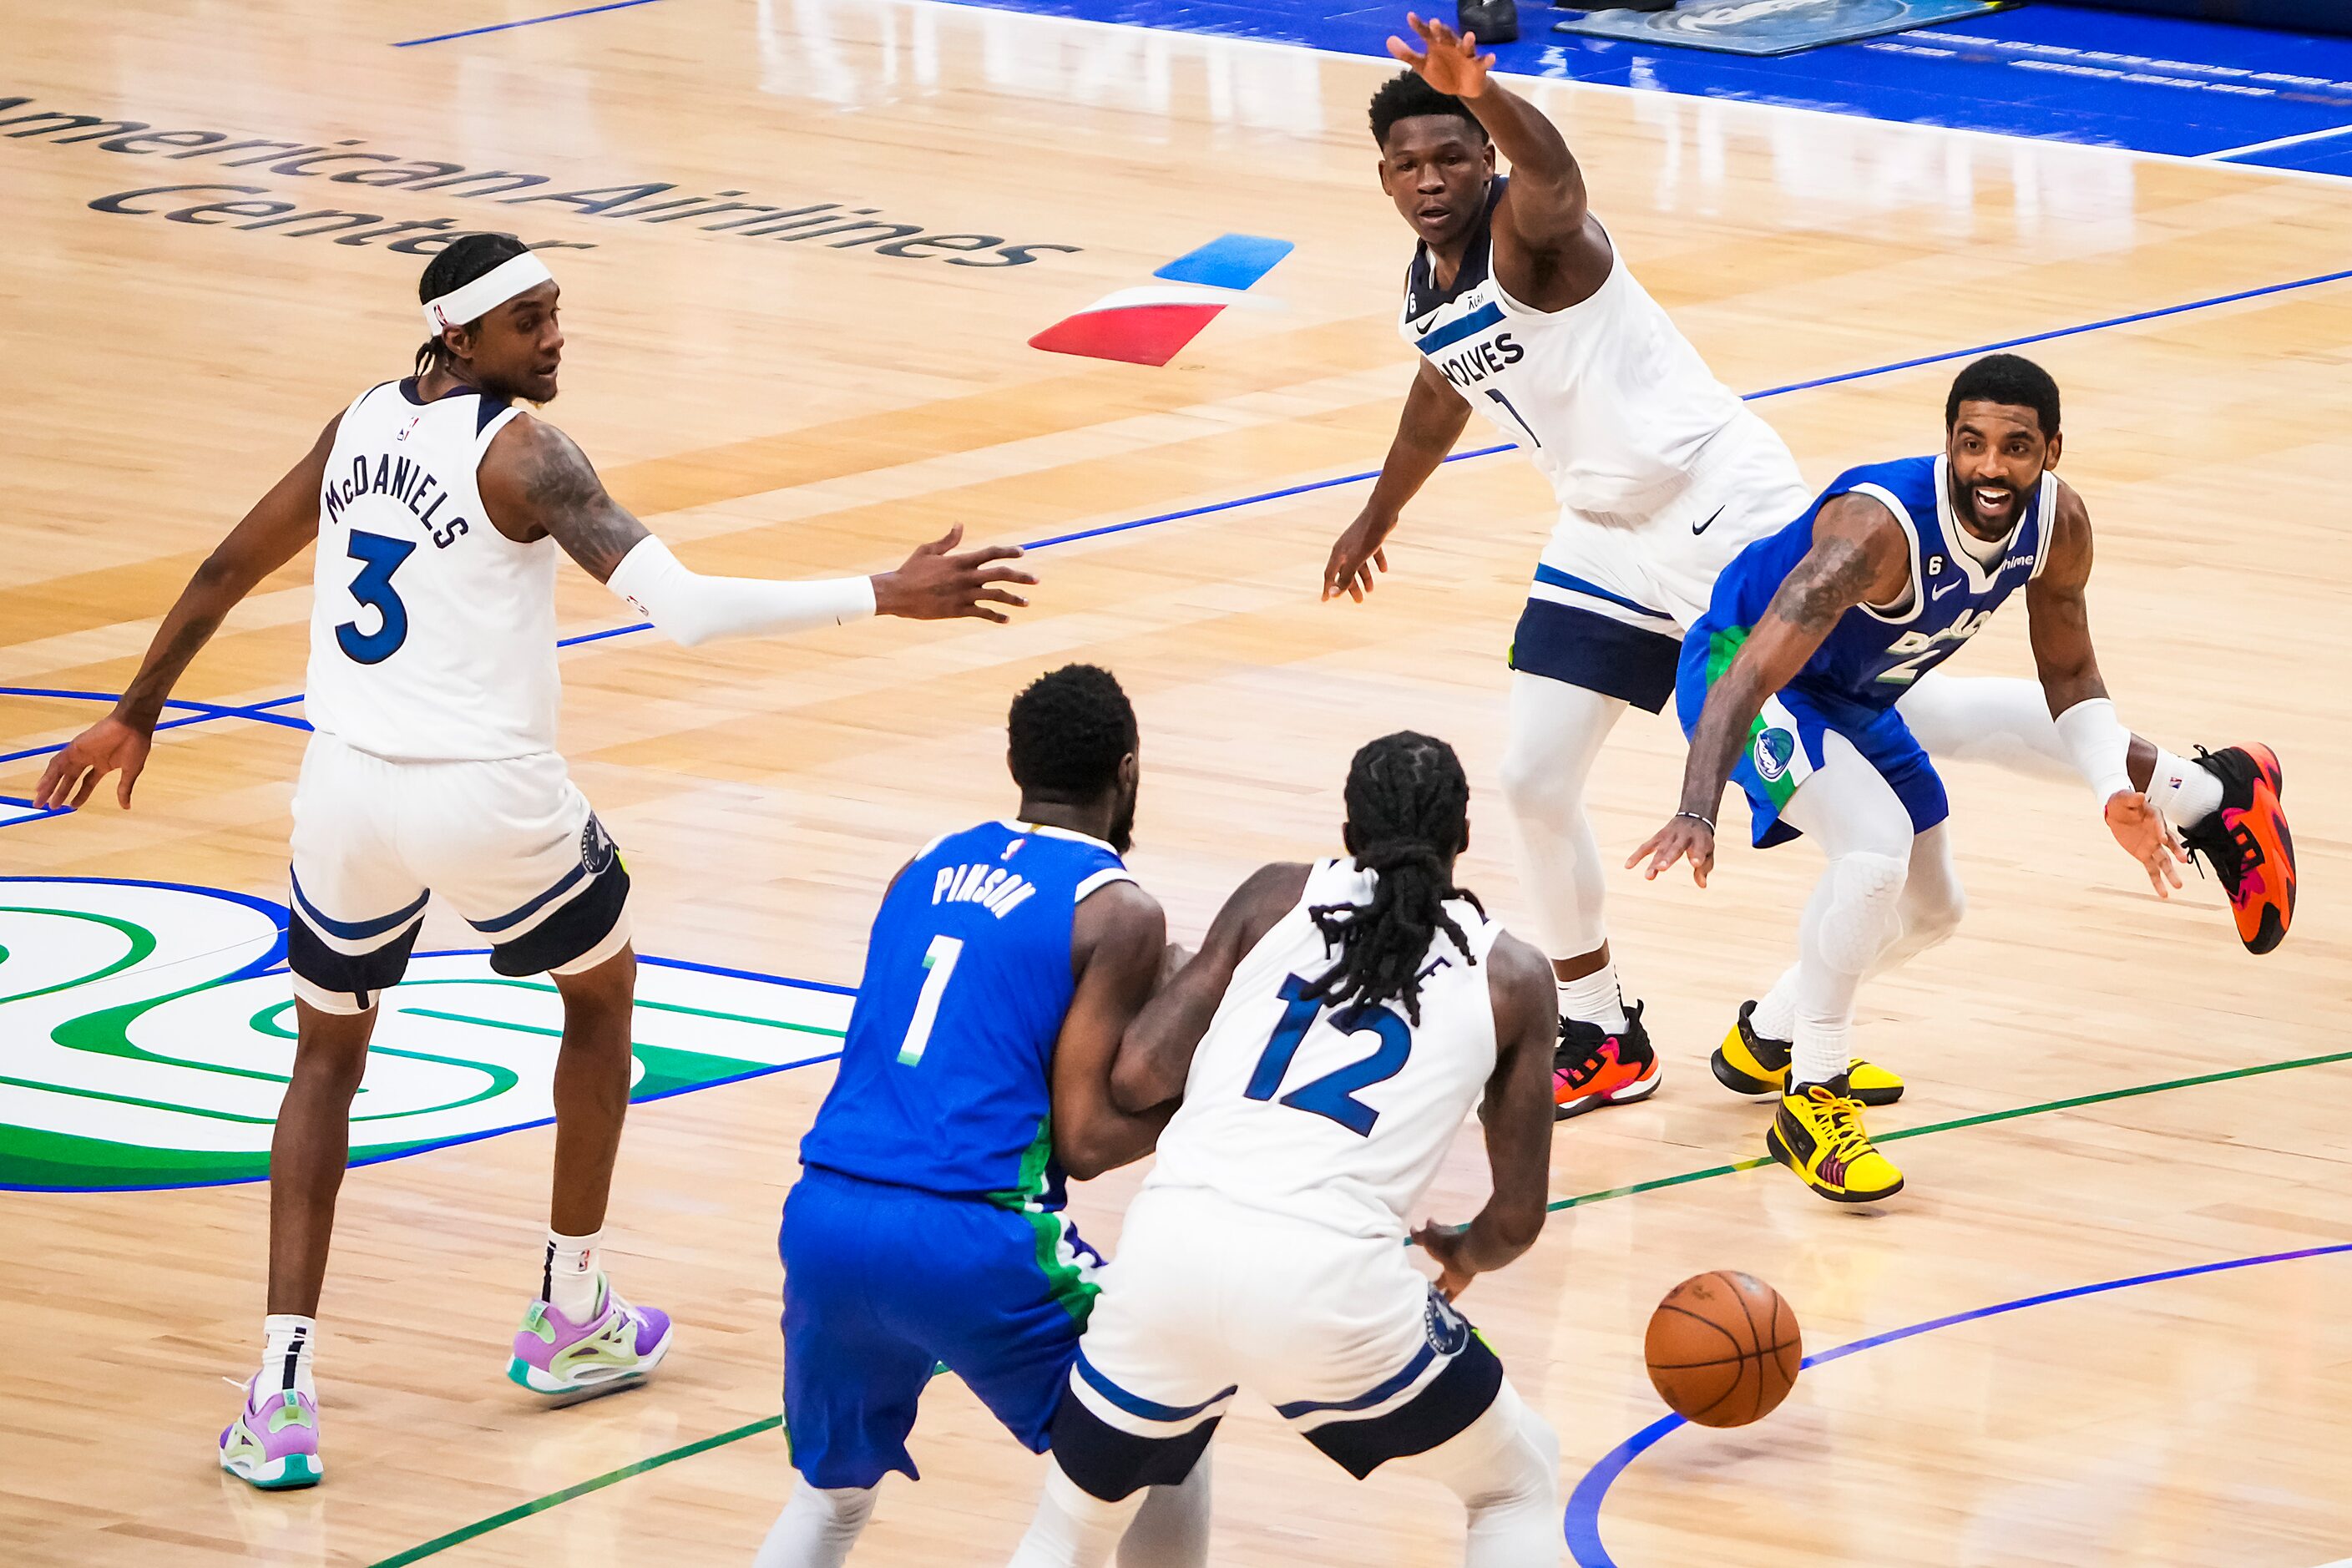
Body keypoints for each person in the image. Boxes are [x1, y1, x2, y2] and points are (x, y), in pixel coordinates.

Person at [30, 233, 1036, 1490]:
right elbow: (686, 609)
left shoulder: (359, 423)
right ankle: (568, 1310)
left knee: (325, 1060)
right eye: (530, 321)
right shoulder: (527, 451)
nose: (556, 338)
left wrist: (136, 706)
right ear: (460, 334)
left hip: (340, 786)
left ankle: (279, 1390)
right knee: (602, 997)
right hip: (482, 790)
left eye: (558, 313)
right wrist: (883, 592)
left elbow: (229, 568)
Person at [1323, 18, 2284, 1120]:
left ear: (1483, 158)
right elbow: (1447, 382)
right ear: (1385, 178)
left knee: (1889, 711)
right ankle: (1597, 1026)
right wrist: (1378, 510)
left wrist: (1483, 95)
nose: (1433, 176)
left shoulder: (1534, 238)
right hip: (1599, 530)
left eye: (1453, 152)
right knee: (1532, 778)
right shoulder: (1425, 280)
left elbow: (1558, 176)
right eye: (1410, 161)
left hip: (1714, 500)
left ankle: (2205, 790)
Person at [1631, 355, 2294, 1203]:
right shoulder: (1872, 536)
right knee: (1874, 851)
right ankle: (1814, 1096)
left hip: (1849, 690)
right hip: (1742, 671)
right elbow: (1748, 677)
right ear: (1947, 443)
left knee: (1933, 907)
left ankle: (1771, 1035)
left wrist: (2108, 794)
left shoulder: (2059, 526)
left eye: (2015, 447)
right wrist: (1698, 805)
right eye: (1971, 443)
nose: (1990, 466)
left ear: (2051, 451)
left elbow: (2073, 677)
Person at [1007, 731, 1563, 1568]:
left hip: (1170, 1252)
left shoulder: (1275, 898)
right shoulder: (1512, 975)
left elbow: (1140, 1073)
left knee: (1071, 1527)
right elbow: (1517, 1219)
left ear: (1346, 833)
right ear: (1465, 836)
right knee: (1513, 1483)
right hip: (1330, 1286)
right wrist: (1464, 1251)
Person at [760, 665, 1208, 1568]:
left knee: (833, 1500)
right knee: (1168, 1425)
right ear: (1127, 771)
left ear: (1015, 763)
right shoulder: (1118, 912)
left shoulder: (919, 866)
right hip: (972, 1231)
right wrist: (1203, 1106)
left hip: (826, 1219)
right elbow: (1081, 1144)